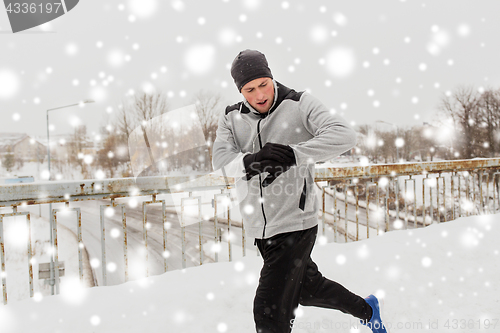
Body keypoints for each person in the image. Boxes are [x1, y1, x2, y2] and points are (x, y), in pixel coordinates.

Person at [212, 49, 387, 333]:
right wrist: (251, 161)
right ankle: (368, 309)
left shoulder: (299, 103)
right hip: (259, 228)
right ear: (240, 91)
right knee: (307, 289)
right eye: (249, 89)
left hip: (296, 223)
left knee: (269, 312)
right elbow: (220, 163)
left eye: (263, 84)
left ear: (271, 77)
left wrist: (295, 154)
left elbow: (344, 134)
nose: (259, 95)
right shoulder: (231, 117)